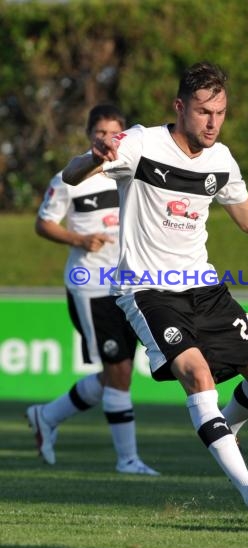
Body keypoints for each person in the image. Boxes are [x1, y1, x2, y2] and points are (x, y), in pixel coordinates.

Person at [62, 63, 248, 523]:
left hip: (205, 289)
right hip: (149, 291)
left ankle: (223, 428)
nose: (213, 122)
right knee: (197, 376)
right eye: (204, 111)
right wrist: (94, 156)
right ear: (180, 107)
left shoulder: (221, 159)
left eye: (220, 112)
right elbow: (71, 176)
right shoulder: (141, 144)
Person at [27, 104, 159, 476]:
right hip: (90, 285)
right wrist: (79, 239)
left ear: (124, 137)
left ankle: (46, 416)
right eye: (100, 133)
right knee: (117, 372)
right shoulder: (68, 178)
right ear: (90, 135)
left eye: (113, 133)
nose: (106, 140)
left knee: (116, 375)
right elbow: (43, 224)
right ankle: (128, 460)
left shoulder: (130, 174)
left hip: (127, 286)